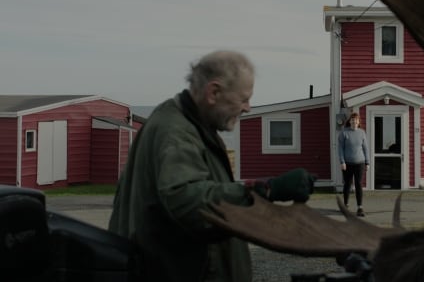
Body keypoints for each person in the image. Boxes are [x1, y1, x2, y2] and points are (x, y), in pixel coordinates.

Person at [108, 50, 316, 282]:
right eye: (244, 98)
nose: (248, 107)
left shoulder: (190, 123)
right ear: (214, 92)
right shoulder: (176, 133)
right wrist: (267, 190)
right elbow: (186, 199)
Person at [337, 112, 370, 217]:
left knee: (358, 184)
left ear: (358, 121)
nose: (354, 121)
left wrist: (367, 162)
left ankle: (360, 208)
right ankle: (345, 205)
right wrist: (342, 161)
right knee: (347, 184)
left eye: (356, 120)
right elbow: (340, 149)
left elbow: (365, 148)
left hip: (359, 163)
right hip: (347, 164)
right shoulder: (344, 133)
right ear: (349, 121)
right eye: (352, 119)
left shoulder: (362, 133)